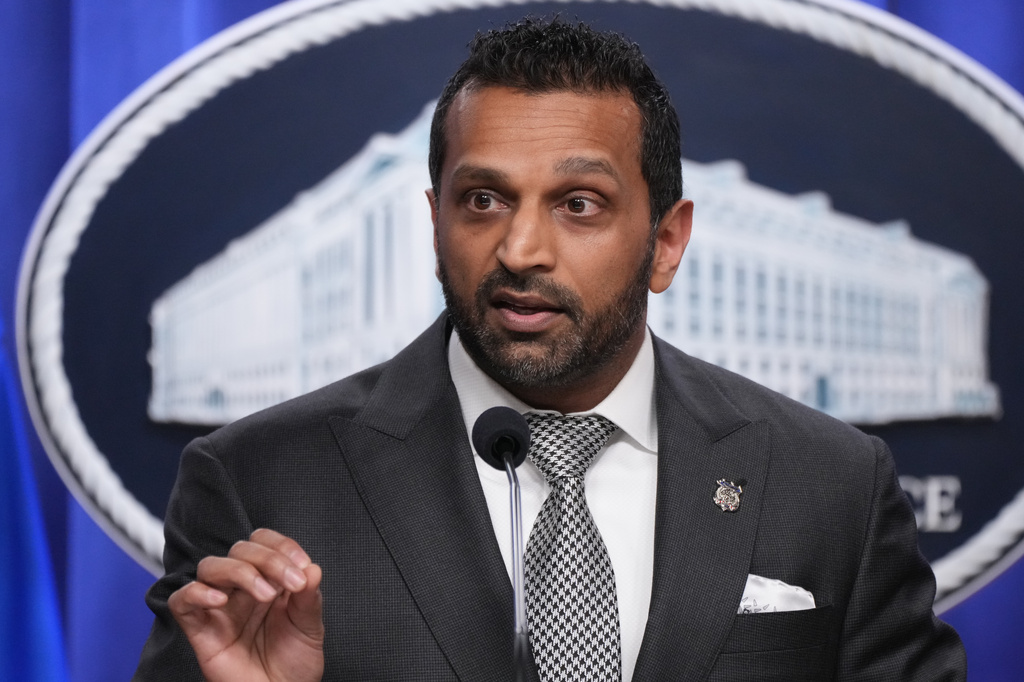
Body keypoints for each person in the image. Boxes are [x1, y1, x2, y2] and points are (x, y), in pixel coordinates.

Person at [134, 17, 967, 681]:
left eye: (578, 203)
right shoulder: (256, 482)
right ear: (435, 226)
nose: (521, 248)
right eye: (484, 199)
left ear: (667, 243)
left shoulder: (831, 485)